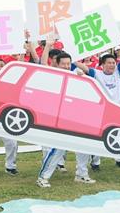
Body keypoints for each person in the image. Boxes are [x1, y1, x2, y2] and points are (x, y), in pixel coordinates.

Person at [36, 50, 96, 188]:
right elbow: (43, 64)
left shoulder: (75, 75)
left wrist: (82, 78)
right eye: (64, 64)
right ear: (57, 64)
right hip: (58, 119)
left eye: (69, 64)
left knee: (84, 145)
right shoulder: (52, 76)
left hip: (75, 117)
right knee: (58, 148)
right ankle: (43, 177)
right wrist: (48, 46)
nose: (67, 66)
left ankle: (81, 174)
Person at [75, 38, 120, 169]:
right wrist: (73, 58)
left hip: (118, 110)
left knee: (119, 133)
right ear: (103, 64)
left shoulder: (118, 72)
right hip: (102, 110)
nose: (112, 65)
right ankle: (95, 162)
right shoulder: (97, 73)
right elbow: (84, 67)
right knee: (99, 135)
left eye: (113, 63)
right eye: (109, 63)